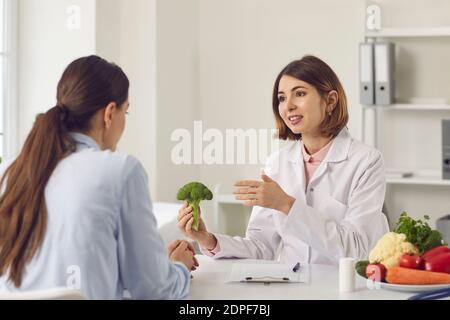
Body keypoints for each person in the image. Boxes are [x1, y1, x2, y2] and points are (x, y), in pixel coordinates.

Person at [0, 55, 197, 299]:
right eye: (126, 112)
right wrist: (179, 267)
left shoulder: (9, 172)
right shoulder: (121, 170)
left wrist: (156, 266)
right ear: (110, 113)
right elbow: (155, 290)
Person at [178, 55, 389, 265]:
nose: (288, 106)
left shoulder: (366, 162)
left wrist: (286, 204)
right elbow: (261, 247)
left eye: (299, 94)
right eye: (281, 98)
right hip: (292, 289)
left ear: (330, 101)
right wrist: (209, 240)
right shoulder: (277, 163)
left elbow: (357, 249)